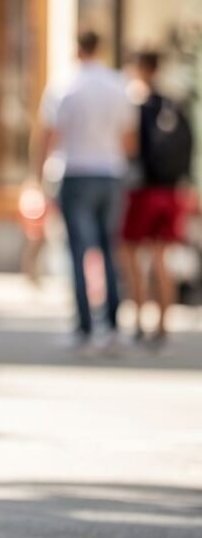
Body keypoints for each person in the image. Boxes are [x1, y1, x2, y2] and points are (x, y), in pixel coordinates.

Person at [34, 30, 137, 350]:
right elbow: (130, 140)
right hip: (110, 173)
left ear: (77, 49)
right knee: (110, 248)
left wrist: (38, 177)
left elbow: (48, 135)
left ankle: (84, 326)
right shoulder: (118, 85)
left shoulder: (65, 85)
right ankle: (113, 324)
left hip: (76, 172)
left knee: (78, 251)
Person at [119, 50, 194, 346]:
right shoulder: (174, 105)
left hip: (142, 190)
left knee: (132, 255)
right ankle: (163, 325)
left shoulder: (136, 105)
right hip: (172, 191)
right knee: (163, 259)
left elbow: (128, 147)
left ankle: (138, 319)